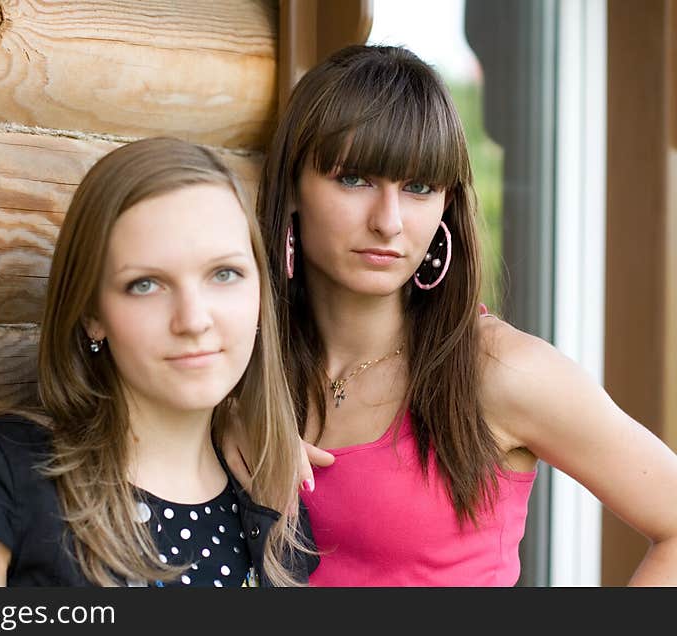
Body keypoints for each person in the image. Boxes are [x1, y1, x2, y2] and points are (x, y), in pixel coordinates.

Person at [224, 44, 677, 586]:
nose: (388, 222)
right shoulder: (238, 362)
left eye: (418, 188)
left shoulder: (498, 369)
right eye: (354, 179)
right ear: (293, 188)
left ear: (446, 206)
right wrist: (233, 418)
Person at [0, 137, 316, 587]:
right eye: (146, 284)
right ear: (91, 315)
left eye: (224, 274)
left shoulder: (268, 496)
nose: (194, 320)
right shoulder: (3, 474)